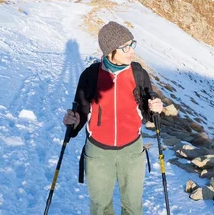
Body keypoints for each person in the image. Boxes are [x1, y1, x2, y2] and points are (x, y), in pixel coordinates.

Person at [63, 21, 163, 215]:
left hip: (132, 151)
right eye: (125, 47)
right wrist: (74, 121)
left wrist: (155, 108)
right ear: (110, 50)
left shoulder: (138, 74)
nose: (131, 51)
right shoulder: (90, 75)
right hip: (98, 153)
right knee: (100, 207)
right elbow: (82, 112)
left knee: (133, 207)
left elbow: (146, 108)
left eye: (132, 44)